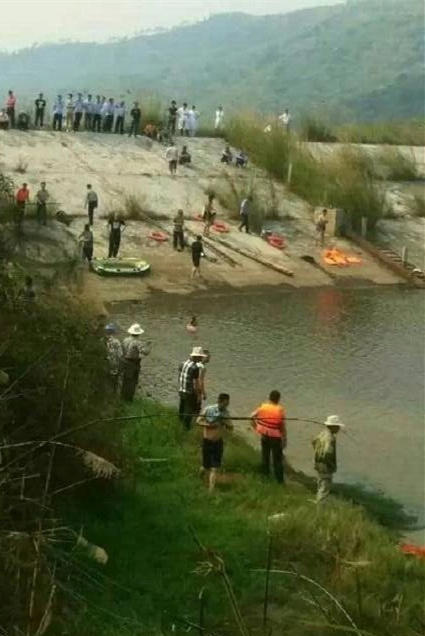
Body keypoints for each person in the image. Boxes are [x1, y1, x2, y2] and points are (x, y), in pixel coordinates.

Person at [198, 393, 233, 492]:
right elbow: (198, 421)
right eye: (224, 404)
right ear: (219, 401)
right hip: (207, 441)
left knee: (214, 468)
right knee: (205, 466)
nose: (226, 406)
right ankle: (200, 477)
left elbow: (231, 428)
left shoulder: (226, 413)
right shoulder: (208, 409)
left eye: (227, 404)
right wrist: (209, 425)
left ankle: (211, 491)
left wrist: (226, 423)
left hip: (218, 442)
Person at [251, 390, 286, 484]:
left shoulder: (262, 407)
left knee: (265, 457)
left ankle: (264, 477)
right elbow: (282, 426)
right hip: (275, 437)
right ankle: (279, 481)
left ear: (269, 397)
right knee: (277, 460)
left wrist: (256, 427)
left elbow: (251, 417)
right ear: (278, 399)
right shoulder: (280, 409)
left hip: (264, 435)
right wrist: (284, 439)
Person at [312, 415, 344, 503]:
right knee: (325, 487)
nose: (339, 428)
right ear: (333, 426)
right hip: (326, 466)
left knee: (320, 483)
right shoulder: (330, 438)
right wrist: (331, 464)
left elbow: (313, 441)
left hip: (318, 463)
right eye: (337, 426)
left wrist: (318, 453)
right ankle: (321, 506)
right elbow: (327, 452)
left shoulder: (322, 433)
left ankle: (318, 500)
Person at [121, 323, 150, 401]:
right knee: (132, 381)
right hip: (133, 363)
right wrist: (147, 345)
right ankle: (128, 399)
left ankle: (122, 397)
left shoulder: (125, 340)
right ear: (138, 333)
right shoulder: (137, 342)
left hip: (124, 361)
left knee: (125, 380)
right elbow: (145, 352)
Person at [178, 346, 205, 429]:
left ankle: (179, 423)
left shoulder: (182, 363)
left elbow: (180, 376)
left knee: (182, 408)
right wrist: (198, 395)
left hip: (181, 390)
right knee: (189, 411)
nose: (201, 359)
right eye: (200, 357)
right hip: (189, 392)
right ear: (196, 357)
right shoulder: (195, 368)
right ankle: (186, 428)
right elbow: (196, 383)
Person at [104, 323, 123, 392]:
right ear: (113, 332)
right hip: (113, 366)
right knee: (114, 383)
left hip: (103, 365)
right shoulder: (116, 342)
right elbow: (120, 354)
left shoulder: (102, 340)